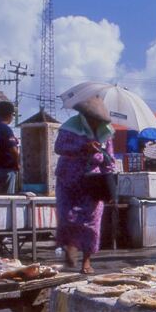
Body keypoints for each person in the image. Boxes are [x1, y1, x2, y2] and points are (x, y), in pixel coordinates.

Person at [55, 95, 115, 274]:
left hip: (93, 182)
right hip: (69, 180)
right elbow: (59, 148)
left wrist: (109, 180)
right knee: (67, 217)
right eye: (92, 120)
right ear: (85, 118)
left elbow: (110, 160)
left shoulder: (106, 133)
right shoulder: (70, 128)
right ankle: (70, 247)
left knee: (92, 221)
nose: (95, 124)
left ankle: (86, 261)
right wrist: (83, 148)